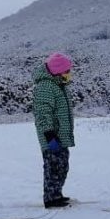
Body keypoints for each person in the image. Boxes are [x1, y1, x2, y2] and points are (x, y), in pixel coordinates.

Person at [32, 52, 76, 208]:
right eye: (67, 71)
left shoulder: (59, 85)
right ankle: (51, 198)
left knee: (62, 166)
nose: (69, 74)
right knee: (53, 167)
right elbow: (43, 113)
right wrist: (49, 135)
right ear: (58, 71)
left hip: (61, 136)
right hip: (51, 137)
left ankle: (57, 193)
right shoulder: (45, 87)